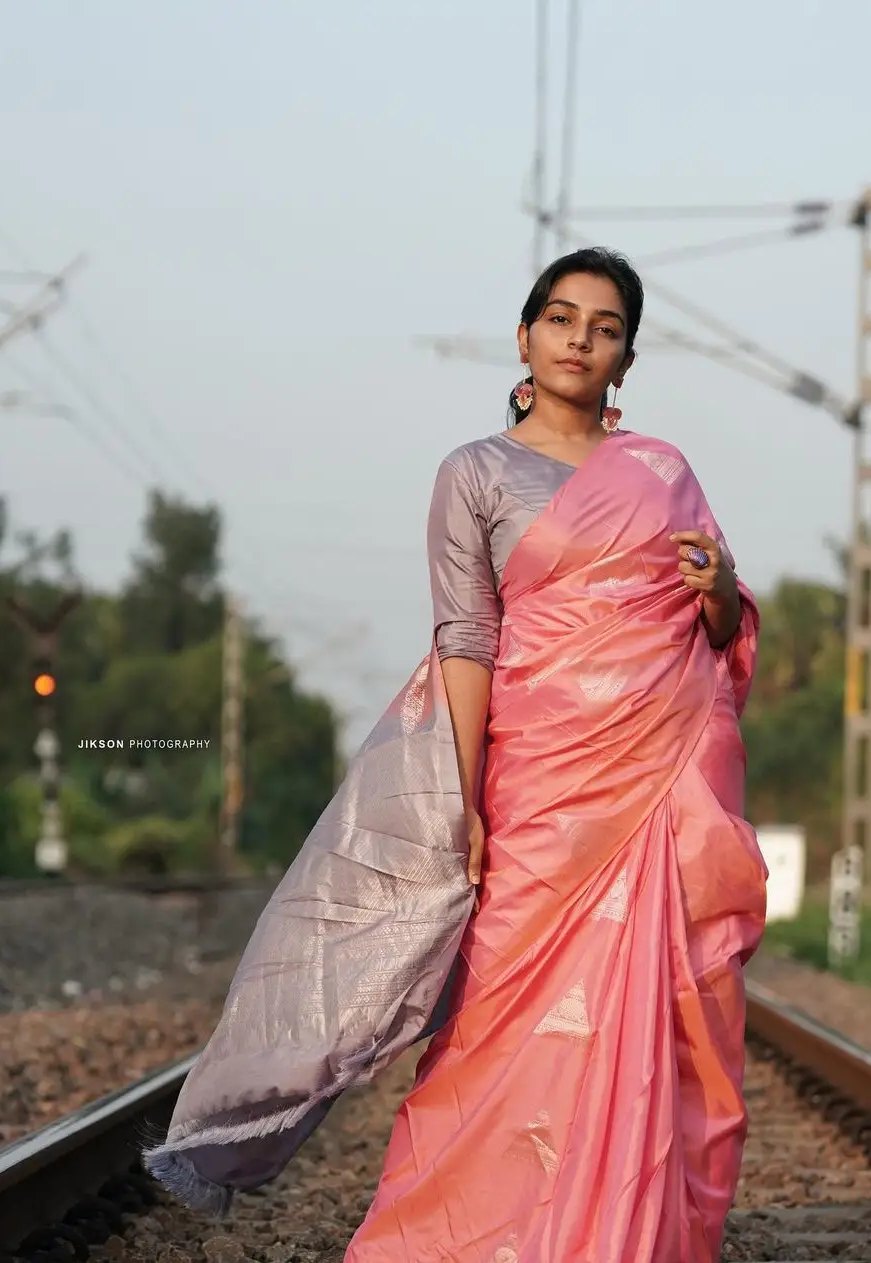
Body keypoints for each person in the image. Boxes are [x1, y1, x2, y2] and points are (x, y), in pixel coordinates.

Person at [145, 248, 767, 1262]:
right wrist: (468, 794)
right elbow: (468, 637)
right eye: (561, 318)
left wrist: (720, 588)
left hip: (655, 780)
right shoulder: (474, 473)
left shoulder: (662, 473)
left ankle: (621, 1232)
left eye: (604, 328)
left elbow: (715, 632)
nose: (579, 339)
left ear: (626, 360)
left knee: (649, 1009)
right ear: (524, 338)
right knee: (496, 1020)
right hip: (538, 783)